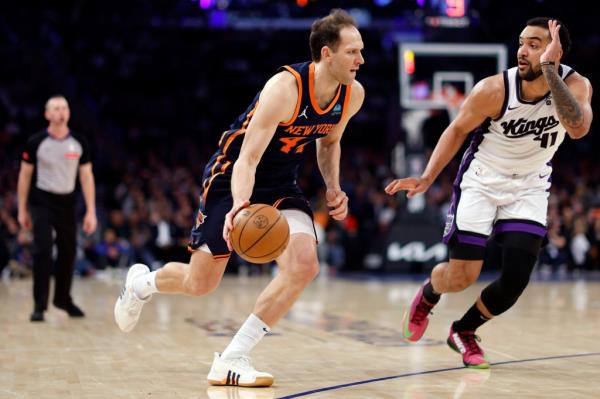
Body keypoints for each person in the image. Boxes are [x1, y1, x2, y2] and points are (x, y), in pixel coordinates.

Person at [114, 8, 364, 387]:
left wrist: (333, 186)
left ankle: (233, 356)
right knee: (201, 284)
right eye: (352, 52)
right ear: (326, 54)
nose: (361, 60)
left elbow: (329, 142)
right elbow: (247, 158)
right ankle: (140, 285)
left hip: (281, 182)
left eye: (361, 51)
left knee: (304, 265)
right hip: (231, 175)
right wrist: (239, 205)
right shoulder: (284, 89)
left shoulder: (352, 95)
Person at [385, 18, 593, 368]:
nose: (523, 51)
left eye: (535, 44)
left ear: (555, 52)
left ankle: (464, 331)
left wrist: (550, 72)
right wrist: (426, 177)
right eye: (521, 43)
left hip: (529, 184)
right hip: (482, 180)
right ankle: (429, 294)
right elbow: (456, 131)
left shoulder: (576, 85)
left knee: (515, 280)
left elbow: (577, 128)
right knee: (461, 276)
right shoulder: (494, 89)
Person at [17, 95, 98, 322]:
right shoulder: (36, 142)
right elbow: (24, 177)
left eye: (64, 107)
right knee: (42, 250)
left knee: (68, 251)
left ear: (69, 113)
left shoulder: (79, 142)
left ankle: (62, 299)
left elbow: (87, 176)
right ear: (47, 114)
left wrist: (91, 210)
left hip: (67, 202)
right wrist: (22, 209)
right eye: (56, 108)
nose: (61, 112)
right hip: (41, 200)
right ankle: (39, 305)